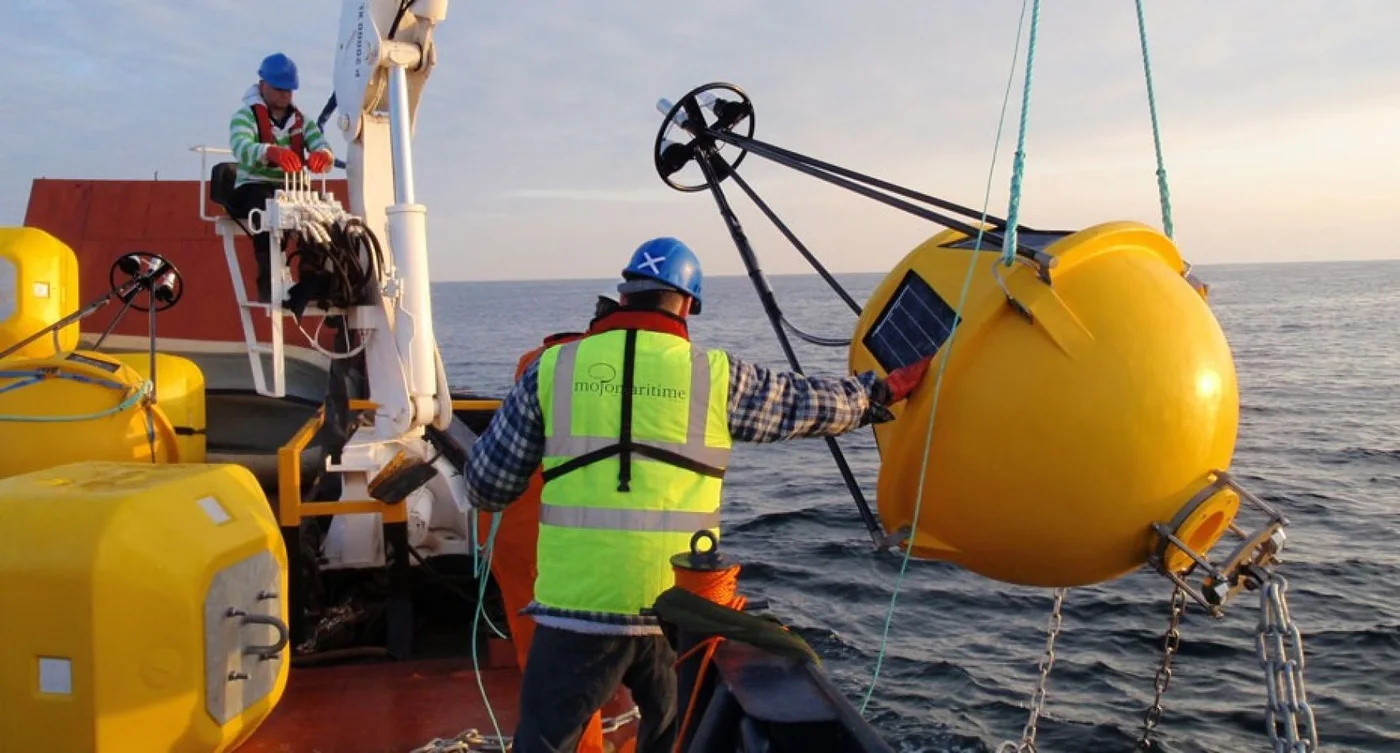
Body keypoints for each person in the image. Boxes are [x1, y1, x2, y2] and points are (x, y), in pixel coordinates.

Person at [463, 237, 932, 753]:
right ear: (687, 304)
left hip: (574, 613)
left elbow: (487, 485)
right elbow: (807, 404)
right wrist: (880, 393)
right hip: (676, 615)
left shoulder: (551, 369)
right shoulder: (717, 376)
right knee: (675, 740)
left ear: (624, 296)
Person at [476, 291, 623, 753]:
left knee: (546, 654)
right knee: (565, 666)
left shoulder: (543, 365)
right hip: (538, 535)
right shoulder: (603, 379)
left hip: (512, 527)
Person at [227, 52, 336, 302]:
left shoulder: (302, 121)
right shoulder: (245, 116)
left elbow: (319, 142)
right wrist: (269, 152)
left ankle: (313, 279)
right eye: (279, 89)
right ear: (262, 84)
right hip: (254, 184)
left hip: (292, 187)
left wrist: (324, 155)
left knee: (321, 214)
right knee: (268, 213)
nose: (285, 95)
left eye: (289, 90)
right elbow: (240, 146)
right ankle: (270, 283)